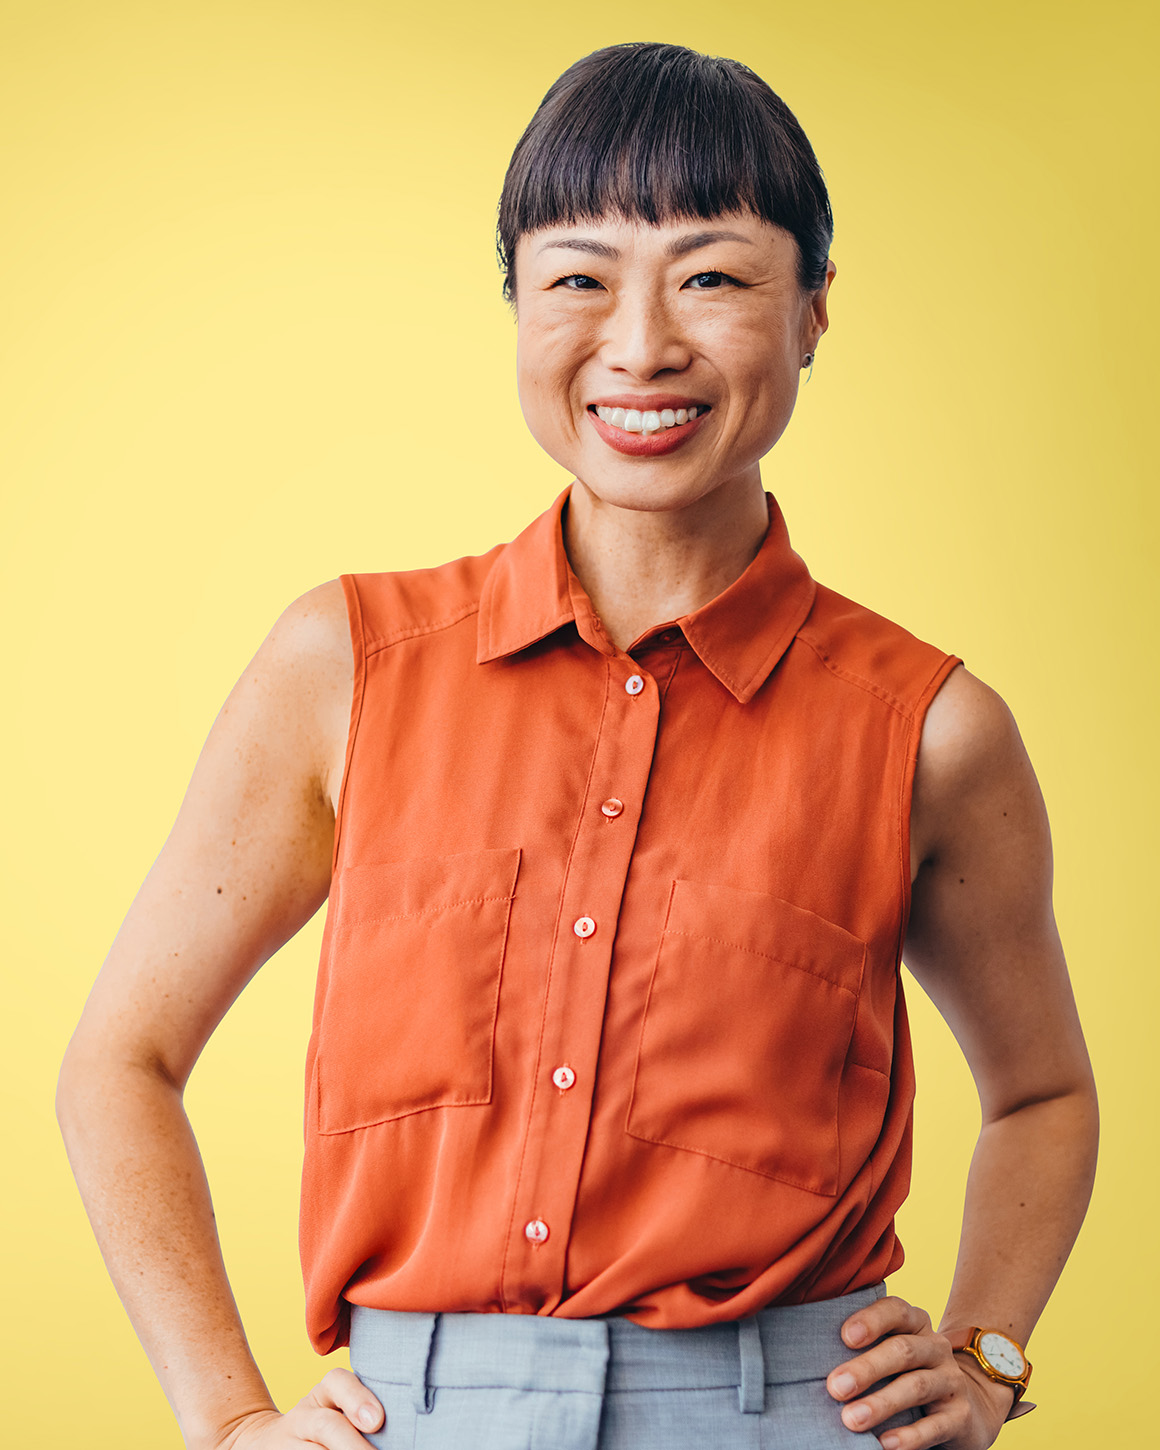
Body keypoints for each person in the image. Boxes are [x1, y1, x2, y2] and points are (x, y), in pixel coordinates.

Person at [57, 40, 1098, 1450]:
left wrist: (984, 1356)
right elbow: (119, 1060)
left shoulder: (931, 729)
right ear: (518, 308)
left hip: (786, 1414)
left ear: (813, 311)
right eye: (579, 278)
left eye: (713, 275)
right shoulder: (344, 667)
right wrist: (226, 1412)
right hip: (413, 1415)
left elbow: (1041, 1092)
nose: (641, 344)